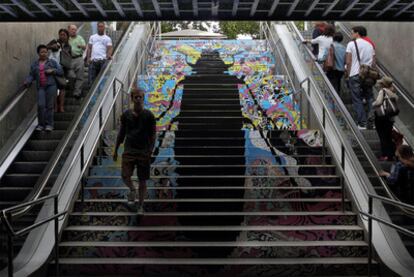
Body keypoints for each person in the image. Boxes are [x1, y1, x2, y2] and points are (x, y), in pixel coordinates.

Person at [113, 88, 156, 214]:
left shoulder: (149, 115)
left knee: (142, 180)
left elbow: (153, 135)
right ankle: (132, 189)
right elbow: (121, 133)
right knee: (125, 175)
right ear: (132, 98)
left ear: (143, 98)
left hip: (143, 151)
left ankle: (141, 206)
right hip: (129, 150)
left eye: (140, 97)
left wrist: (150, 150)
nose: (138, 99)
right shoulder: (126, 115)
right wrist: (115, 149)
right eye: (136, 97)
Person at [24, 45, 63, 132]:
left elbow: (61, 71)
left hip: (51, 86)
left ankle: (49, 125)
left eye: (45, 52)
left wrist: (53, 70)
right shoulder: (35, 64)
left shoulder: (52, 62)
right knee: (41, 105)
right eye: (42, 52)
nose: (44, 54)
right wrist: (27, 81)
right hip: (41, 87)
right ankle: (41, 124)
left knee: (49, 106)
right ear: (38, 53)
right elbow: (31, 75)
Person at [345, 26, 376, 130]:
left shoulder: (351, 44)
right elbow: (373, 63)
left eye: (352, 32)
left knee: (357, 99)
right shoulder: (370, 45)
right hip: (367, 76)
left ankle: (362, 123)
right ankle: (372, 122)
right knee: (370, 97)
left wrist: (348, 75)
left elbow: (348, 61)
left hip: (355, 75)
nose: (351, 34)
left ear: (357, 33)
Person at [372, 76, 398, 161]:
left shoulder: (383, 91)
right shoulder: (393, 92)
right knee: (388, 136)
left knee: (382, 136)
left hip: (382, 118)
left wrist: (373, 104)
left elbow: (379, 102)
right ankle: (391, 155)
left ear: (383, 84)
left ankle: (385, 155)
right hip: (390, 119)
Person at [47, 28, 72, 112]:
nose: (62, 36)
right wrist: (52, 46)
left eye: (64, 35)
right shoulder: (55, 42)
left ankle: (61, 106)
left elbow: (69, 58)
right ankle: (55, 106)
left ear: (67, 36)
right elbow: (46, 47)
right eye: (60, 34)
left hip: (63, 68)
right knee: (53, 87)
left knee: (62, 87)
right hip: (53, 66)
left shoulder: (68, 46)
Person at [86, 21, 113, 86]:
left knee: (102, 79)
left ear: (104, 28)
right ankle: (92, 95)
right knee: (91, 80)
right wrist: (88, 58)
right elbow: (89, 48)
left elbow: (110, 48)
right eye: (99, 26)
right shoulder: (92, 37)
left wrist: (109, 55)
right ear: (97, 27)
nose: (100, 28)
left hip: (103, 60)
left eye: (102, 26)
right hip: (93, 60)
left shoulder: (107, 38)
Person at [68, 24, 86, 99]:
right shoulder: (67, 39)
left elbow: (85, 47)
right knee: (71, 76)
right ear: (68, 30)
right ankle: (73, 89)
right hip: (69, 60)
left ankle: (77, 93)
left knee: (80, 77)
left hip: (79, 58)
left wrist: (81, 46)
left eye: (75, 29)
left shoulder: (80, 38)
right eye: (72, 29)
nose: (74, 31)